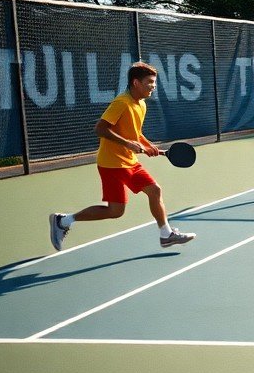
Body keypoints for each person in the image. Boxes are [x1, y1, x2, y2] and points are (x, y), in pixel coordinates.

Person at [49, 61, 196, 251]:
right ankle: (166, 234)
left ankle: (63, 221)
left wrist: (147, 144)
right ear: (136, 83)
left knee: (132, 202)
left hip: (125, 161)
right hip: (114, 164)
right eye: (150, 82)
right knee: (135, 200)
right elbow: (100, 128)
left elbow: (134, 131)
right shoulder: (122, 103)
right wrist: (127, 143)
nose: (154, 86)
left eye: (154, 82)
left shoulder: (141, 104)